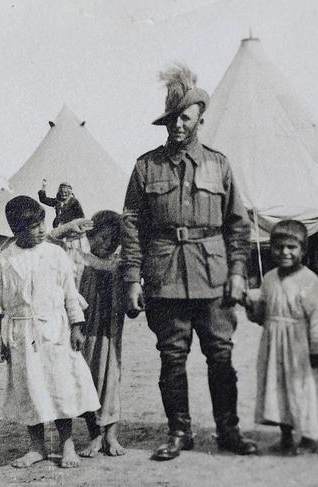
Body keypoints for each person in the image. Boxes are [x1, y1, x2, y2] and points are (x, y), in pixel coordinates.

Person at [121, 63, 257, 460]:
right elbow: (132, 226)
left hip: (212, 276)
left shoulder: (219, 164)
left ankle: (228, 431)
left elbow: (237, 224)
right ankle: (179, 432)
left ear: (200, 118)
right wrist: (132, 278)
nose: (178, 126)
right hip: (163, 276)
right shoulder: (146, 167)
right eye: (172, 119)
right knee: (171, 357)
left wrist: (236, 274)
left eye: (185, 117)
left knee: (221, 355)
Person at [0, 196, 100, 468]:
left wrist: (76, 327)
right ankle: (36, 447)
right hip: (21, 334)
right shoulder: (3, 261)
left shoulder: (55, 254)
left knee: (59, 386)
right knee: (30, 390)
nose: (40, 230)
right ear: (16, 230)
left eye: (42, 224)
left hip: (55, 330)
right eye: (33, 226)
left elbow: (71, 295)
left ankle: (67, 444)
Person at [245, 220, 318, 454]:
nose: (285, 252)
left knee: (301, 390)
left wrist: (317, 349)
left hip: (299, 346)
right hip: (273, 345)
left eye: (291, 247)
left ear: (303, 250)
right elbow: (262, 314)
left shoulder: (309, 280)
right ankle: (285, 437)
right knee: (278, 389)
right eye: (278, 247)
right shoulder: (269, 278)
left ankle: (309, 438)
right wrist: (249, 307)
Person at [65, 210, 127, 458]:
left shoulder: (120, 264)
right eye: (103, 237)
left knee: (110, 379)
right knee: (86, 380)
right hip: (84, 333)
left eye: (114, 240)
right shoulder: (78, 260)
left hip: (110, 336)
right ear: (90, 235)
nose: (108, 244)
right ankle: (95, 435)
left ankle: (111, 435)